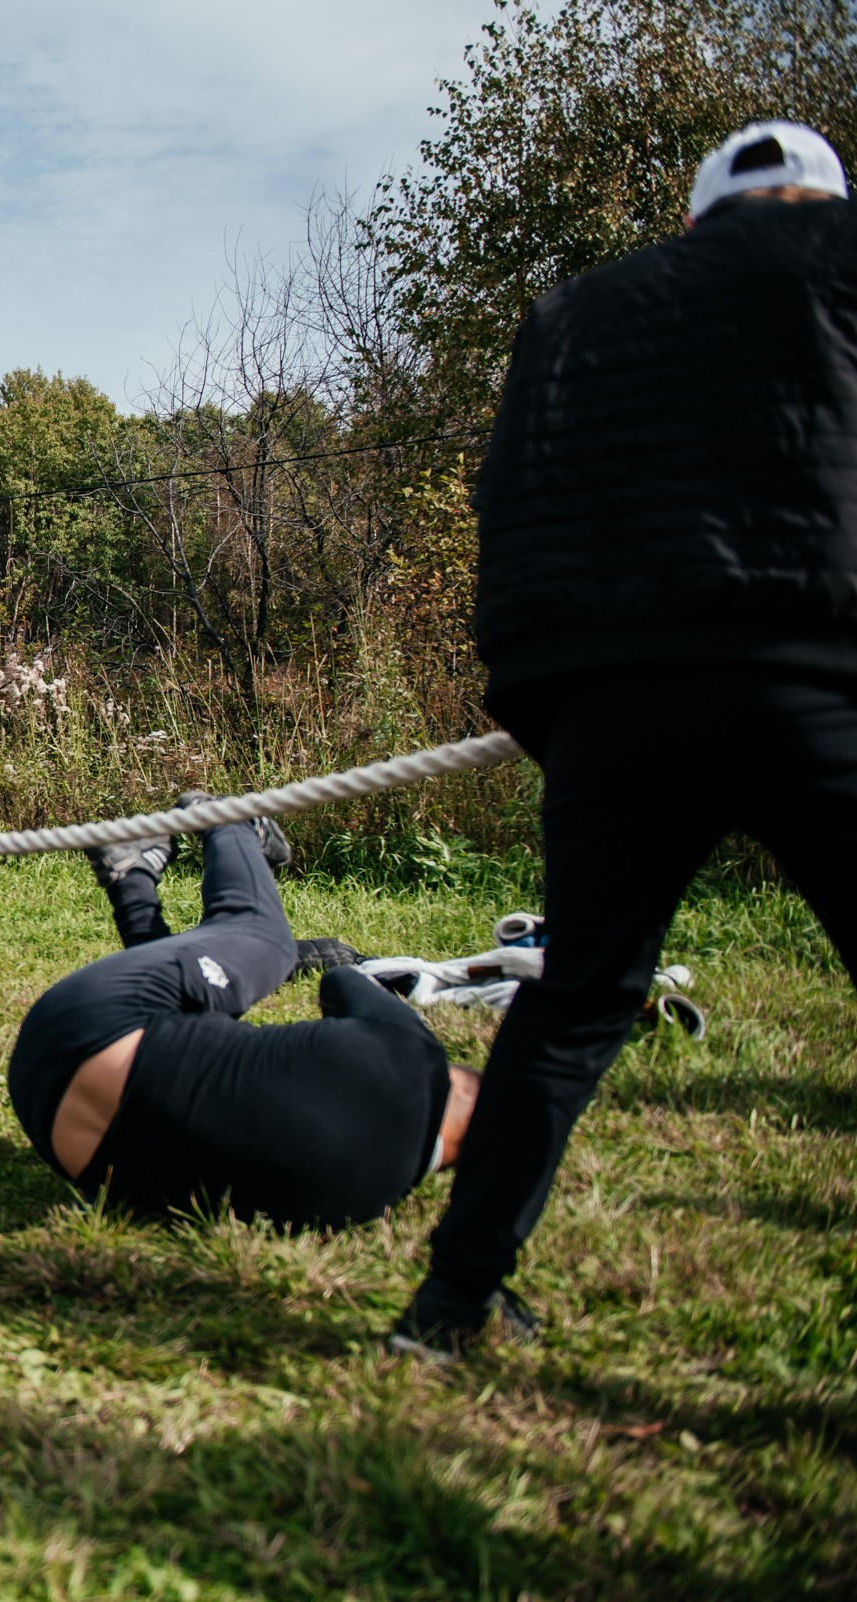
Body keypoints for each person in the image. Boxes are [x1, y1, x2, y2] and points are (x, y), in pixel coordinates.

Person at [390, 122, 857, 1359]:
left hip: (609, 692)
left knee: (577, 1006)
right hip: (810, 659)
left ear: (700, 218)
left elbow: (515, 498)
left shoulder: (574, 310)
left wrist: (549, 696)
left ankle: (447, 1309)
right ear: (814, 199)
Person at [8, 802, 480, 1230]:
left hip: (84, 1020)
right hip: (55, 1122)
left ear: (470, 1088)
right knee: (208, 1045)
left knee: (265, 944)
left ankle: (229, 823)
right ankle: (132, 877)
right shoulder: (363, 1203)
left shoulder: (411, 1056)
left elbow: (345, 984)